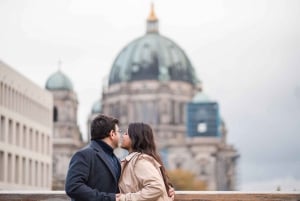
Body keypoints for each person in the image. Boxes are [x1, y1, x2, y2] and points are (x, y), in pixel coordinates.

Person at [65, 114, 121, 201]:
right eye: (119, 132)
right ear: (112, 134)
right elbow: (73, 187)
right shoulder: (84, 155)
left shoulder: (115, 159)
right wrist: (108, 198)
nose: (120, 135)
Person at [117, 122, 173, 201]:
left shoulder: (140, 161)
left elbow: (156, 187)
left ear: (135, 138)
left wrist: (125, 198)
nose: (122, 136)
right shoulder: (138, 160)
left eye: (126, 134)